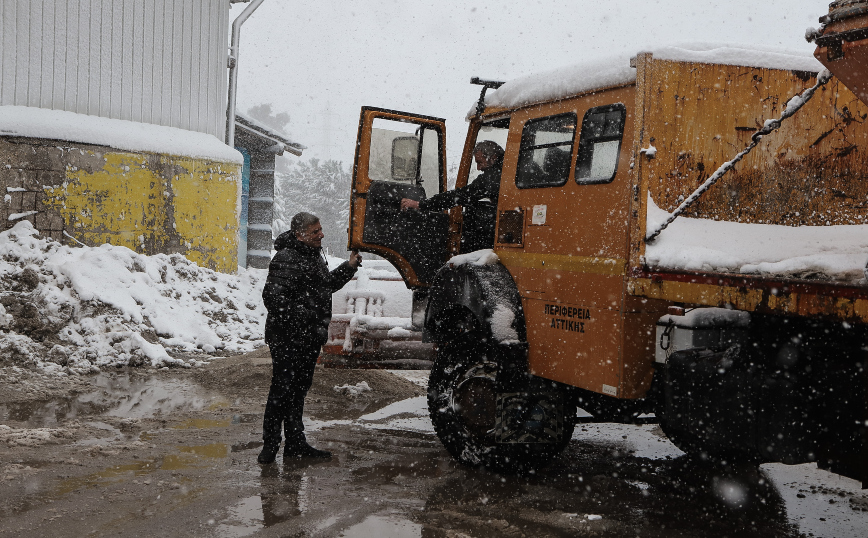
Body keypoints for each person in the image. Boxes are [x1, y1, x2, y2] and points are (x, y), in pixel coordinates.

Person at [258, 212, 361, 464]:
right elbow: (272, 299)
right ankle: (270, 446)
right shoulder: (285, 258)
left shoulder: (312, 255)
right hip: (287, 339)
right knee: (281, 391)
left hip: (308, 338)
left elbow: (325, 285)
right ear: (300, 235)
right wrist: (306, 315)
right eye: (315, 232)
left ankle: (295, 443)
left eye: (321, 229)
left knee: (298, 391)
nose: (321, 234)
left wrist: (348, 267)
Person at [400, 140, 504, 253]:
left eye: (480, 162)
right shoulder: (511, 170)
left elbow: (460, 196)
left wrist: (421, 204)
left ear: (493, 157)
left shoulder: (494, 177)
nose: (478, 168)